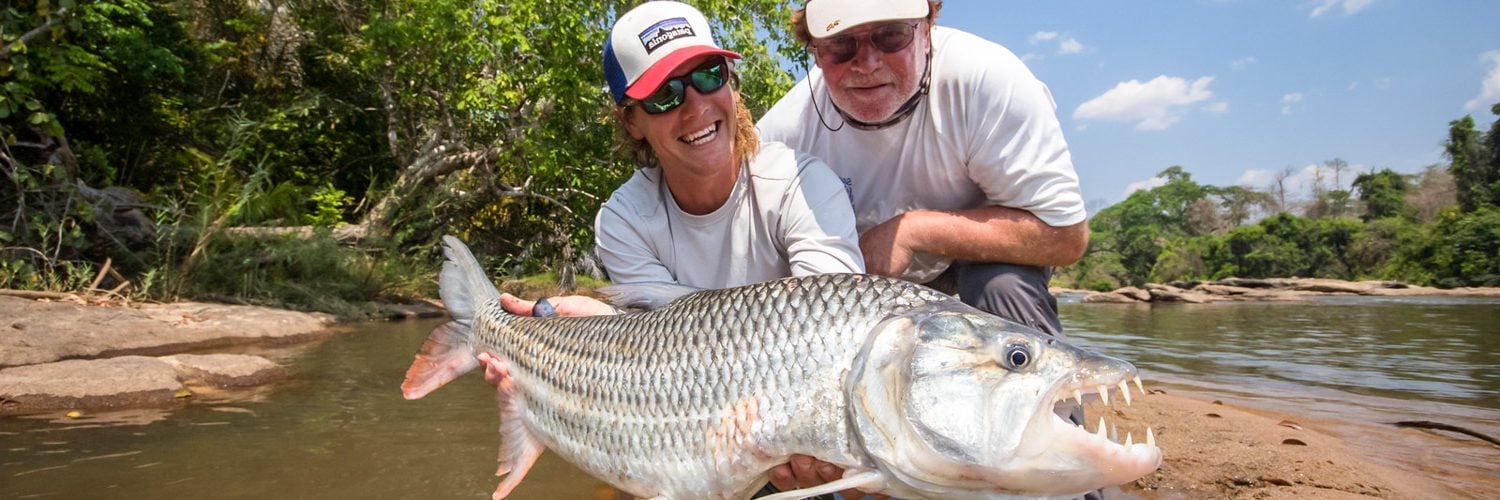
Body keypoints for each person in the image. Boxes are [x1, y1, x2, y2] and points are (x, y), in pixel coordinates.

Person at [754, 0, 1090, 494]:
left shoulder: (987, 80)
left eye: (890, 36)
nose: (866, 63)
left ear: (928, 25)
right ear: (813, 47)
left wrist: (914, 230)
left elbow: (1064, 236)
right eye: (841, 45)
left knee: (1004, 287)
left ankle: (1066, 474)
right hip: (857, 300)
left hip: (975, 267)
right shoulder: (783, 134)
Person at [494, 0, 865, 318]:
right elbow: (658, 348)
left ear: (730, 83)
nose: (696, 106)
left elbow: (835, 322)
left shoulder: (805, 185)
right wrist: (608, 322)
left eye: (708, 75)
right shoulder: (623, 221)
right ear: (630, 120)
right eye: (664, 94)